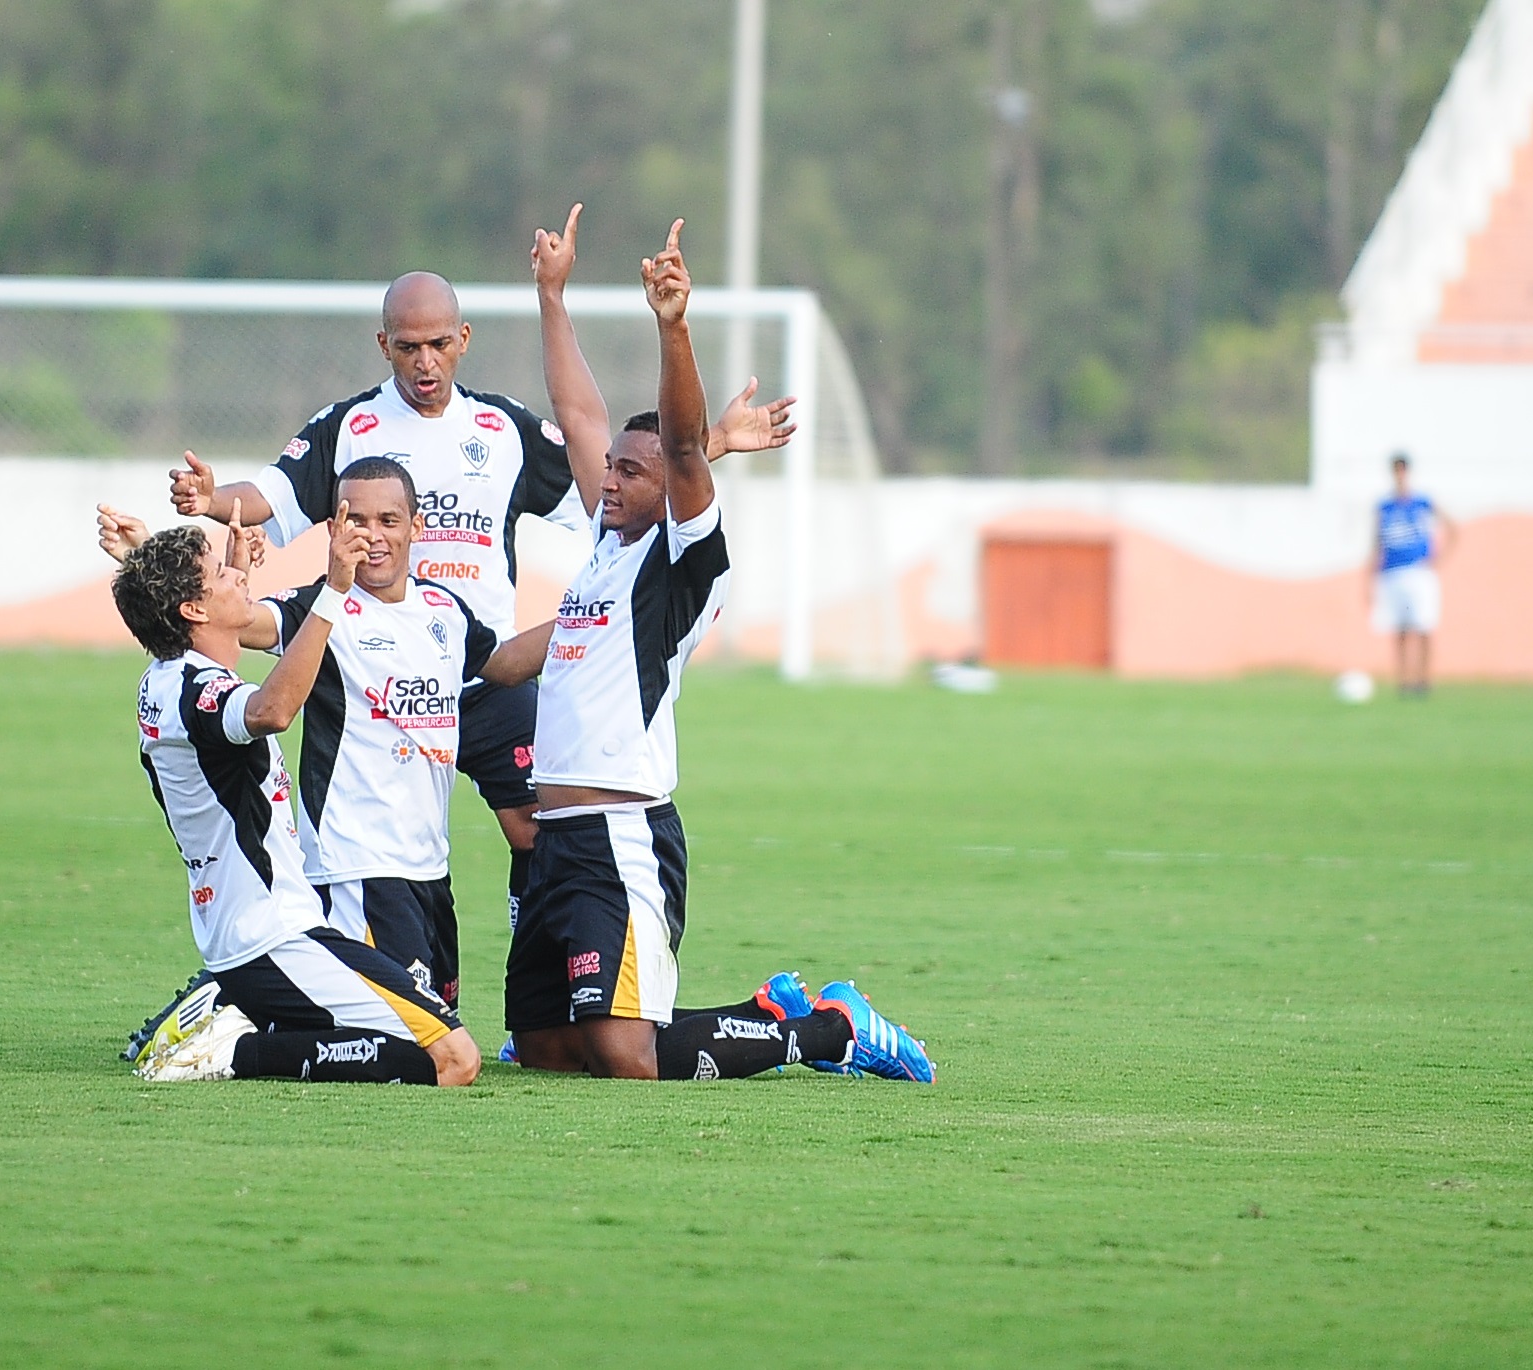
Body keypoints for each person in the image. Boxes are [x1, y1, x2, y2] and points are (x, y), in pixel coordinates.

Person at [164, 267, 797, 946]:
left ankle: (538, 970)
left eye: (437, 343)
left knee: (532, 824)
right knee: (366, 837)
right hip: (375, 673)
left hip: (484, 667)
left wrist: (712, 445)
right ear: (384, 346)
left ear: (463, 339)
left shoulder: (501, 429)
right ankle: (318, 957)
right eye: (408, 347)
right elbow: (272, 494)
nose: (425, 361)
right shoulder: (350, 426)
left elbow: (610, 475)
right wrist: (210, 500)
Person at [501, 214, 933, 1083]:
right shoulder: (605, 545)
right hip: (556, 842)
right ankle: (768, 1012)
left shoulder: (681, 564)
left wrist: (674, 326)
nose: (609, 481)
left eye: (631, 473)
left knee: (626, 1057)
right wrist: (552, 295)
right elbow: (580, 412)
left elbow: (689, 448)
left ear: (675, 493)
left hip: (621, 835)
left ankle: (833, 1032)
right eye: (612, 468)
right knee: (549, 1053)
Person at [99, 457, 550, 1022]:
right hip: (353, 865)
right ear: (333, 530)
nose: (372, 536)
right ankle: (233, 1015)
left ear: (417, 526)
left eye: (389, 520)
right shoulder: (316, 608)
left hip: (429, 865)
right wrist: (145, 561)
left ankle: (235, 1007)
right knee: (411, 1038)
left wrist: (589, 619)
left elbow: (504, 664)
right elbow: (228, 621)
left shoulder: (443, 610)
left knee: (434, 1025)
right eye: (354, 520)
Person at [108, 499, 481, 1085]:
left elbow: (208, 640)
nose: (239, 577)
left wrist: (213, 574)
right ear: (193, 608)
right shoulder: (197, 690)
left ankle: (229, 1016)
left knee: (424, 1049)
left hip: (253, 936)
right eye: (221, 575)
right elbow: (273, 710)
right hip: (275, 936)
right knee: (455, 1060)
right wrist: (334, 592)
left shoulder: (171, 677)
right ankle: (228, 1052)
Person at [1369, 452, 1457, 696]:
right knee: (1401, 629)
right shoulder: (1384, 507)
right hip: (1392, 573)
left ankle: (1424, 680)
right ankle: (1404, 681)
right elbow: (1376, 543)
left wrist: (1439, 558)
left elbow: (1452, 527)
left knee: (1423, 626)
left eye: (1402, 470)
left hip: (1419, 572)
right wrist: (1370, 578)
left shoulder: (1422, 503)